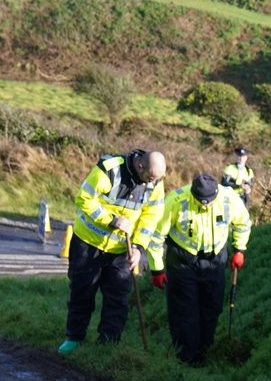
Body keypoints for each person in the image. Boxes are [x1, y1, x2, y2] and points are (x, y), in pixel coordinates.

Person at [59, 149, 167, 354]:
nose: (152, 182)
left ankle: (108, 344)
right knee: (82, 291)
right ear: (140, 165)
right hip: (88, 242)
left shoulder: (156, 182)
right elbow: (84, 199)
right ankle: (74, 338)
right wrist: (112, 220)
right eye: (150, 177)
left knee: (118, 297)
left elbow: (151, 217)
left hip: (121, 251)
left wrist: (138, 247)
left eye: (156, 179)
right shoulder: (109, 169)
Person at [147, 173, 252, 365]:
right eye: (200, 202)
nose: (205, 205)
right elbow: (155, 236)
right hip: (182, 260)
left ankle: (205, 352)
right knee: (185, 311)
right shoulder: (176, 200)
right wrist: (157, 269)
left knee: (212, 307)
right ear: (193, 194)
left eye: (208, 202)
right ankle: (186, 357)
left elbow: (243, 224)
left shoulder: (229, 199)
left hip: (214, 259)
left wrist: (239, 249)